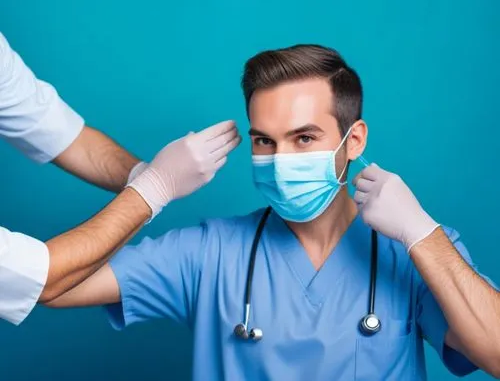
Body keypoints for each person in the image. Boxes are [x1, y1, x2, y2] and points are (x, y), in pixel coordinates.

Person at [45, 44, 500, 380]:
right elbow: (47, 284)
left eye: (304, 138)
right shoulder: (208, 253)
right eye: (265, 141)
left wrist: (424, 235)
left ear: (354, 141)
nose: (281, 160)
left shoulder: (413, 252)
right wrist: (151, 190)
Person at [0, 32, 241, 326]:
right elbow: (42, 278)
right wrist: (156, 186)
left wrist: (141, 173)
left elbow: (58, 132)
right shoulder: (207, 253)